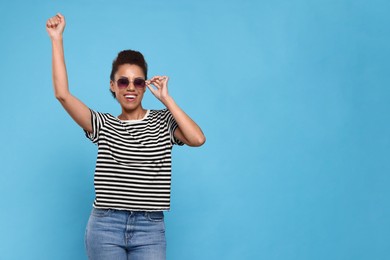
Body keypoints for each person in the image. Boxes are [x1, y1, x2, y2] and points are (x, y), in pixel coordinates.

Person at [46, 13, 205, 260]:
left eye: (138, 82)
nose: (130, 87)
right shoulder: (103, 124)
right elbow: (63, 95)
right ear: (112, 85)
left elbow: (197, 139)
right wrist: (57, 39)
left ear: (144, 86)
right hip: (105, 225)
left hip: (150, 226)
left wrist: (167, 99)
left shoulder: (163, 121)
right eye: (123, 82)